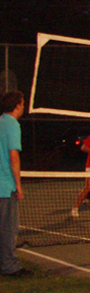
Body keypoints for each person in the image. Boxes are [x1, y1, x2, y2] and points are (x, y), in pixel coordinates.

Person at [0, 91, 30, 277]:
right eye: (23, 102)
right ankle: (9, 266)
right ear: (18, 104)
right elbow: (13, 156)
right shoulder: (12, 124)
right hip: (5, 186)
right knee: (9, 228)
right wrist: (18, 185)